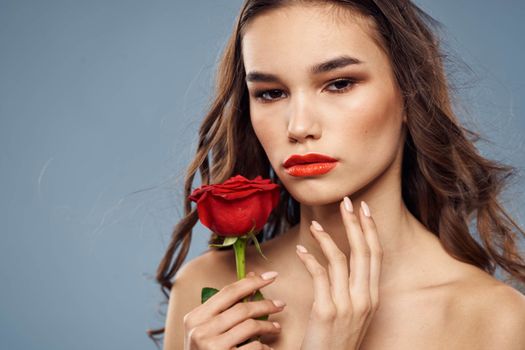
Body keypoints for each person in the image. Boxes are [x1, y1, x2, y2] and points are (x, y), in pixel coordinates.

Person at [148, 1, 525, 349]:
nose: (299, 126)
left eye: (339, 83)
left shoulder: (494, 320)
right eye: (271, 93)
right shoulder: (209, 290)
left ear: (411, 94)